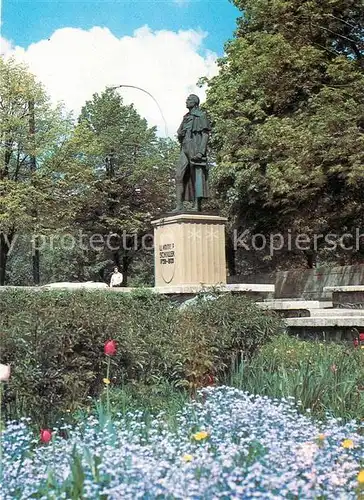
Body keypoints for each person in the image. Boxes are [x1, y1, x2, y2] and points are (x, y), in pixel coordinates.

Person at [173, 94, 211, 212]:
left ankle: (197, 205)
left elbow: (205, 134)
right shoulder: (186, 117)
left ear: (195, 102)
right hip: (184, 147)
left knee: (196, 176)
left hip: (195, 146)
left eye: (189, 100)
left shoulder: (201, 115)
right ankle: (179, 205)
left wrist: (200, 152)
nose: (186, 101)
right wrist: (181, 133)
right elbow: (179, 132)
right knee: (179, 175)